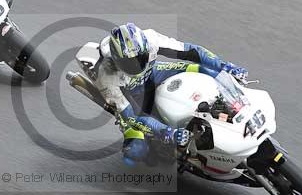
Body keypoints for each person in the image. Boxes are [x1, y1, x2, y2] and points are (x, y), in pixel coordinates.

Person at [94, 23, 249, 166]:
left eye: (139, 58)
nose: (135, 65)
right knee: (134, 154)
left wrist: (226, 66)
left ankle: (235, 98)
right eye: (129, 62)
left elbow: (192, 51)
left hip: (153, 74)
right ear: (115, 59)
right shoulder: (107, 76)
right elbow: (132, 116)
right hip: (130, 98)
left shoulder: (151, 39)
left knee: (200, 68)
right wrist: (167, 132)